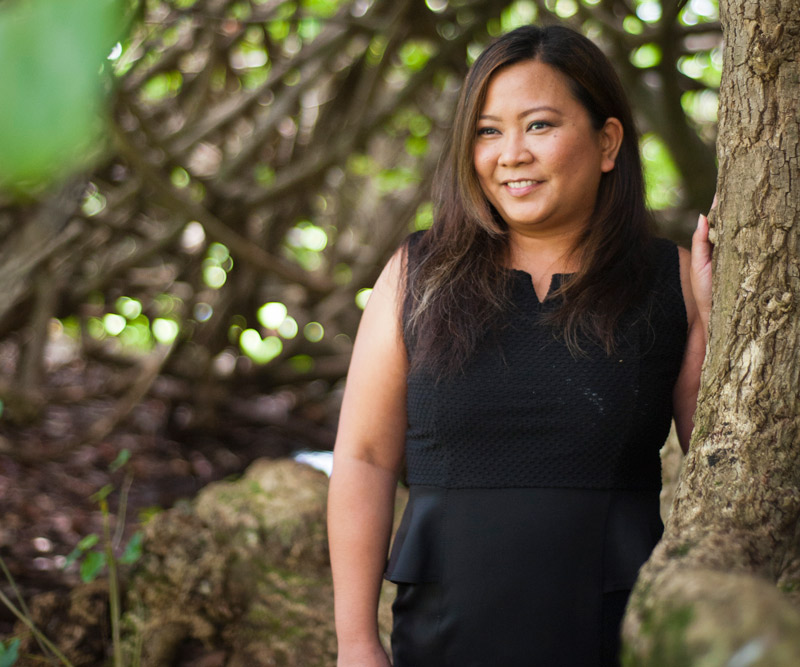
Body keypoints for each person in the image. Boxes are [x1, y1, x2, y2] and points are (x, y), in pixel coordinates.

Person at [328, 24, 713, 667]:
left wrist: (710, 314)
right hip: (444, 634)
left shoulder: (671, 278)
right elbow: (364, 457)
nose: (510, 154)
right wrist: (356, 642)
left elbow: (724, 461)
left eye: (538, 125)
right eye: (487, 130)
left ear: (608, 141)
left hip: (613, 634)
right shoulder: (417, 274)